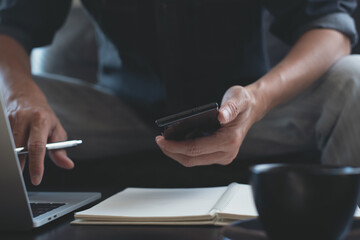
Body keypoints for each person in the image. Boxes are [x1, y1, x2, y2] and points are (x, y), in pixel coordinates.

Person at [0, 0, 359, 186]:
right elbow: (10, 27)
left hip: (248, 111)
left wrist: (259, 98)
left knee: (354, 79)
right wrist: (21, 96)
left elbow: (330, 28)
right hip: (117, 113)